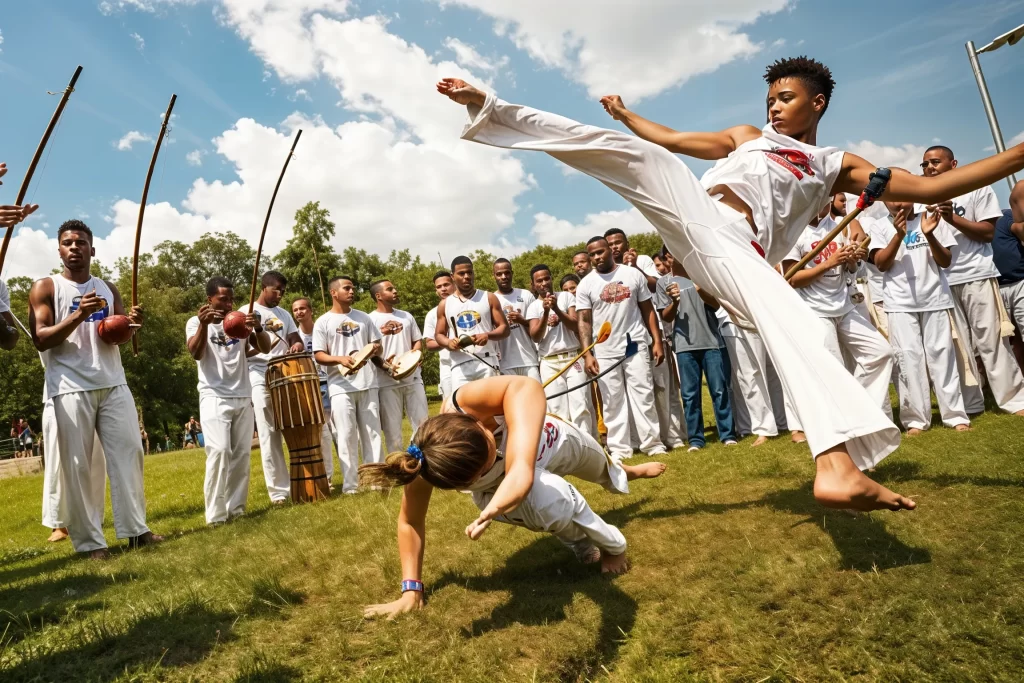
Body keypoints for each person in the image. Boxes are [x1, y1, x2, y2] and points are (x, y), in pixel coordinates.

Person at [435, 53, 1024, 510]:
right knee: (644, 157)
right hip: (698, 219)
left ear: (817, 104)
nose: (774, 108)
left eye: (786, 99)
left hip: (736, 252)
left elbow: (933, 189)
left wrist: (1018, 154)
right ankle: (491, 109)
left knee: (804, 331)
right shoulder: (749, 136)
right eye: (770, 98)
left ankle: (836, 467)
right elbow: (670, 141)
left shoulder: (836, 165)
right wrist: (626, 116)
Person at [360, 376, 667, 619]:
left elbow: (519, 468)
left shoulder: (469, 399)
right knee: (550, 503)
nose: (492, 465)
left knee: (605, 471)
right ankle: (586, 543)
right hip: (515, 483)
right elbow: (410, 522)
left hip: (553, 442)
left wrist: (492, 509)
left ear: (476, 424)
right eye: (480, 474)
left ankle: (628, 471)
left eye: (488, 451)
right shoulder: (424, 464)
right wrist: (411, 591)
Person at [28, 219, 160, 559]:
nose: (75, 247)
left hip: (113, 380)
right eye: (68, 243)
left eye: (81, 242)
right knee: (78, 466)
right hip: (70, 386)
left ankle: (135, 530)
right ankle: (90, 543)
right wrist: (77, 315)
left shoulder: (108, 287)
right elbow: (40, 340)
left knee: (130, 453)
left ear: (92, 249)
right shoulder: (46, 287)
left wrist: (128, 325)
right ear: (59, 250)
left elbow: (117, 334)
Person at [919, 146, 1024, 416]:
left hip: (976, 274)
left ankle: (1013, 400)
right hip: (941, 281)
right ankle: (972, 403)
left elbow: (988, 233)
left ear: (953, 164)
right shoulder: (922, 199)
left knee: (992, 341)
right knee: (959, 345)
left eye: (935, 162)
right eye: (924, 164)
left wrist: (952, 218)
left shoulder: (977, 188)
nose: (929, 168)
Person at [782, 199, 894, 434]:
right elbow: (792, 279)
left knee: (881, 353)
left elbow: (856, 271)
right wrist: (828, 263)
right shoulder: (794, 232)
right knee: (835, 370)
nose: (822, 201)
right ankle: (843, 428)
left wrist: (852, 262)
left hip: (845, 306)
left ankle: (861, 409)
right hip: (816, 311)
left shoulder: (842, 226)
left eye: (826, 196)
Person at [869, 198, 970, 433]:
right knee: (908, 360)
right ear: (884, 203)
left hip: (934, 298)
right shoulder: (879, 226)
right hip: (899, 303)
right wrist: (898, 235)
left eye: (902, 196)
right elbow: (881, 264)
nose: (897, 203)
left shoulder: (932, 216)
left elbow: (945, 261)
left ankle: (955, 416)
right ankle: (916, 419)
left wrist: (930, 235)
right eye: (890, 198)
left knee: (942, 356)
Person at [574, 236, 666, 461]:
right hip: (605, 350)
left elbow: (648, 310)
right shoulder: (586, 284)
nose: (597, 257)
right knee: (612, 400)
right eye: (592, 254)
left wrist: (657, 341)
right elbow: (584, 322)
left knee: (643, 394)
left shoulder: (632, 274)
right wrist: (587, 354)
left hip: (634, 343)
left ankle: (652, 444)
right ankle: (620, 449)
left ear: (609, 250)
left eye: (600, 252)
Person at [187, 277, 271, 525]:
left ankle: (237, 509)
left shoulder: (239, 323)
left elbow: (264, 348)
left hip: (243, 394)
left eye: (231, 299)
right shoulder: (195, 322)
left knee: (241, 455)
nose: (228, 304)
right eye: (223, 299)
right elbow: (196, 352)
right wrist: (204, 325)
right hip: (214, 395)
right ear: (209, 299)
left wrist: (257, 328)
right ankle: (215, 515)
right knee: (219, 451)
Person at [657, 249, 736, 450]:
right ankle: (696, 440)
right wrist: (674, 301)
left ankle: (727, 434)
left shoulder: (703, 274)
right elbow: (666, 317)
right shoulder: (663, 283)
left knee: (719, 390)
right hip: (684, 346)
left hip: (712, 342)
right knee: (690, 394)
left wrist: (701, 289)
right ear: (667, 258)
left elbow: (717, 305)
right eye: (672, 253)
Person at [313, 276, 385, 494]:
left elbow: (378, 346)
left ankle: (376, 480)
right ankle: (351, 485)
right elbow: (318, 355)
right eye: (347, 288)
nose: (352, 291)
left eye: (352, 288)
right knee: (346, 435)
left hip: (368, 382)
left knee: (372, 433)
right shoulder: (323, 322)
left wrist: (375, 349)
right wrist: (339, 359)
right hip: (340, 386)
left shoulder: (363, 318)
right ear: (334, 293)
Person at [241, 271, 304, 504]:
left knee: (295, 427)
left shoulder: (284, 314)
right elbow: (240, 350)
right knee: (268, 431)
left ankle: (303, 480)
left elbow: (295, 337)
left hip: (287, 371)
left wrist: (296, 345)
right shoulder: (245, 312)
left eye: (283, 292)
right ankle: (278, 492)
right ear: (263, 288)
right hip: (258, 373)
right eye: (276, 290)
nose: (280, 295)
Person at [528, 264, 593, 433]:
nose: (543, 283)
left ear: (551, 279)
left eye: (546, 278)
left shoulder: (565, 297)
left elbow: (575, 325)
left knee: (580, 404)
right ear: (534, 285)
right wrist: (545, 313)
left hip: (572, 357)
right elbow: (535, 336)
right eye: (539, 281)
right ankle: (566, 447)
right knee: (557, 408)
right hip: (549, 361)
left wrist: (556, 309)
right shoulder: (534, 306)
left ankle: (587, 447)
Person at [369, 279, 429, 452]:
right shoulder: (370, 320)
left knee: (422, 424)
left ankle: (421, 463)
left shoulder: (406, 316)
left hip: (413, 377)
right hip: (386, 381)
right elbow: (371, 352)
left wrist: (415, 357)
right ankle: (398, 466)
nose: (395, 291)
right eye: (390, 289)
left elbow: (417, 341)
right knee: (392, 430)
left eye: (394, 287)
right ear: (378, 296)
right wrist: (387, 366)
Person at [433, 256, 509, 391]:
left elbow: (504, 328)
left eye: (469, 272)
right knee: (462, 409)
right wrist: (448, 343)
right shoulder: (445, 304)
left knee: (491, 408)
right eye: (461, 273)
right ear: (452, 276)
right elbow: (439, 334)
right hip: (459, 364)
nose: (466, 276)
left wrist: (487, 335)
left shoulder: (488, 297)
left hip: (486, 361)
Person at [293, 297, 336, 486]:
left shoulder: (323, 329)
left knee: (342, 431)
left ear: (311, 310)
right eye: (295, 310)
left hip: (330, 381)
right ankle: (327, 478)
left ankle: (353, 473)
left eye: (303, 308)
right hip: (309, 387)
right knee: (322, 433)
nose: (299, 312)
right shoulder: (293, 336)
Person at [648, 249, 687, 449]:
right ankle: (659, 436)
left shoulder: (642, 263)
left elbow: (652, 284)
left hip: (661, 338)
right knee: (650, 394)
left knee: (668, 389)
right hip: (639, 341)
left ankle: (676, 435)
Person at [993, 180, 1024, 371]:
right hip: (994, 288)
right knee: (1008, 339)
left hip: (1019, 282)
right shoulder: (964, 227)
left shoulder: (1004, 217)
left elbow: (1019, 229)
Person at [492, 258, 541, 380]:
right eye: (499, 274)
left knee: (535, 397)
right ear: (494, 276)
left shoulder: (526, 295)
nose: (504, 277)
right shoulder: (491, 299)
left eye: (507, 273)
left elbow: (539, 327)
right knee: (512, 399)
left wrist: (522, 320)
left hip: (529, 359)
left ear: (512, 273)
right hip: (505, 363)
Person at [423, 271, 455, 400]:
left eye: (446, 284)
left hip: (474, 362)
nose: (443, 289)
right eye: (439, 287)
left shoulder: (470, 306)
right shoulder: (432, 314)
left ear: (454, 283)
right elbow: (429, 343)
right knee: (451, 409)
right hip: (448, 366)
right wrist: (447, 342)